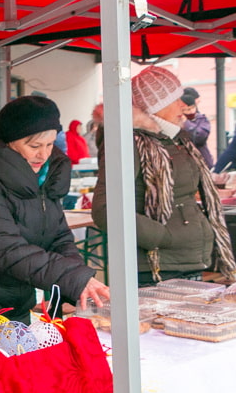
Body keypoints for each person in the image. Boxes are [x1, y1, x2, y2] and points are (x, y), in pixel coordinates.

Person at [0, 96, 109, 324]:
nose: (43, 155)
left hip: (18, 299)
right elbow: (4, 246)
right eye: (34, 146)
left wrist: (77, 284)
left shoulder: (46, 175)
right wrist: (71, 277)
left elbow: (60, 236)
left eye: (49, 144)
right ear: (9, 142)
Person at [92, 66, 236, 286]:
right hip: (158, 266)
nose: (183, 105)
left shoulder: (176, 138)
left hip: (189, 259)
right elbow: (106, 209)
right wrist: (163, 237)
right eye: (174, 99)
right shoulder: (130, 142)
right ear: (154, 105)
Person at [180, 87, 213, 168]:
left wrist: (186, 123)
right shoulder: (175, 121)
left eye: (192, 108)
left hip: (202, 163)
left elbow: (200, 137)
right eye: (186, 109)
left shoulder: (201, 119)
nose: (190, 112)